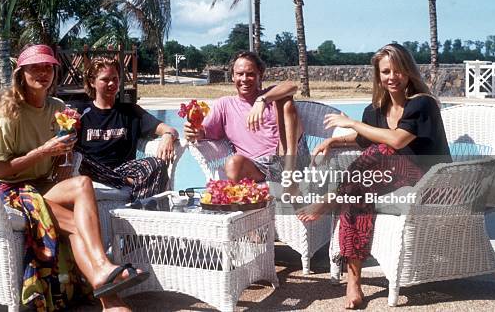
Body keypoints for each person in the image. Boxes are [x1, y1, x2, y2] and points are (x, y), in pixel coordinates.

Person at [0, 45, 148, 312]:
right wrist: (44, 151)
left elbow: (57, 165)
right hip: (3, 189)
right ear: (22, 73)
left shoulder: (57, 107)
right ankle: (109, 298)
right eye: (35, 67)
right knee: (77, 225)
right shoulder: (8, 111)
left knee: (82, 183)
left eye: (48, 67)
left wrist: (63, 155)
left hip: (39, 185)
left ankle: (104, 274)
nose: (43, 73)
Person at [297, 43, 451, 309]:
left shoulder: (423, 104)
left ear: (409, 72)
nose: (392, 77)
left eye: (399, 70)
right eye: (386, 71)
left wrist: (353, 123)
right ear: (378, 75)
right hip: (391, 176)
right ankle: (353, 283)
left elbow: (397, 140)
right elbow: (362, 140)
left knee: (382, 150)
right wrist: (334, 142)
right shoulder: (375, 111)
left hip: (430, 179)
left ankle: (332, 197)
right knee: (358, 194)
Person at [184, 50, 302, 183]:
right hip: (258, 167)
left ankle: (290, 171)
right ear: (233, 76)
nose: (244, 79)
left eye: (250, 74)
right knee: (233, 163)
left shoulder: (271, 95)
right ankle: (247, 200)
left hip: (288, 156)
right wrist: (193, 132)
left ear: (260, 75)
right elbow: (204, 132)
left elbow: (292, 86)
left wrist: (262, 100)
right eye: (240, 74)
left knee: (285, 101)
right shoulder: (225, 105)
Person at [75, 56, 179, 200]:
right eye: (105, 79)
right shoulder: (81, 112)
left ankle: (140, 210)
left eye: (115, 78)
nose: (112, 83)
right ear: (92, 82)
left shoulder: (130, 111)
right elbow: (66, 143)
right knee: (80, 157)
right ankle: (127, 185)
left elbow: (169, 129)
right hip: (92, 169)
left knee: (157, 164)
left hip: (123, 170)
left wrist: (168, 136)